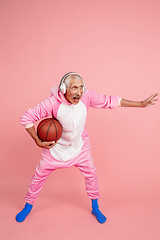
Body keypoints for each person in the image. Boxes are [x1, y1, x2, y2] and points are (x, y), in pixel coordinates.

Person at [15, 72, 158, 223]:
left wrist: (140, 104)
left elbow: (109, 101)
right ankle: (28, 206)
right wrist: (38, 140)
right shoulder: (52, 103)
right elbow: (26, 118)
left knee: (91, 174)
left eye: (81, 87)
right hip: (56, 150)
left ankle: (95, 207)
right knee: (39, 176)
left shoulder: (87, 96)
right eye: (74, 88)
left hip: (79, 148)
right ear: (64, 89)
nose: (79, 92)